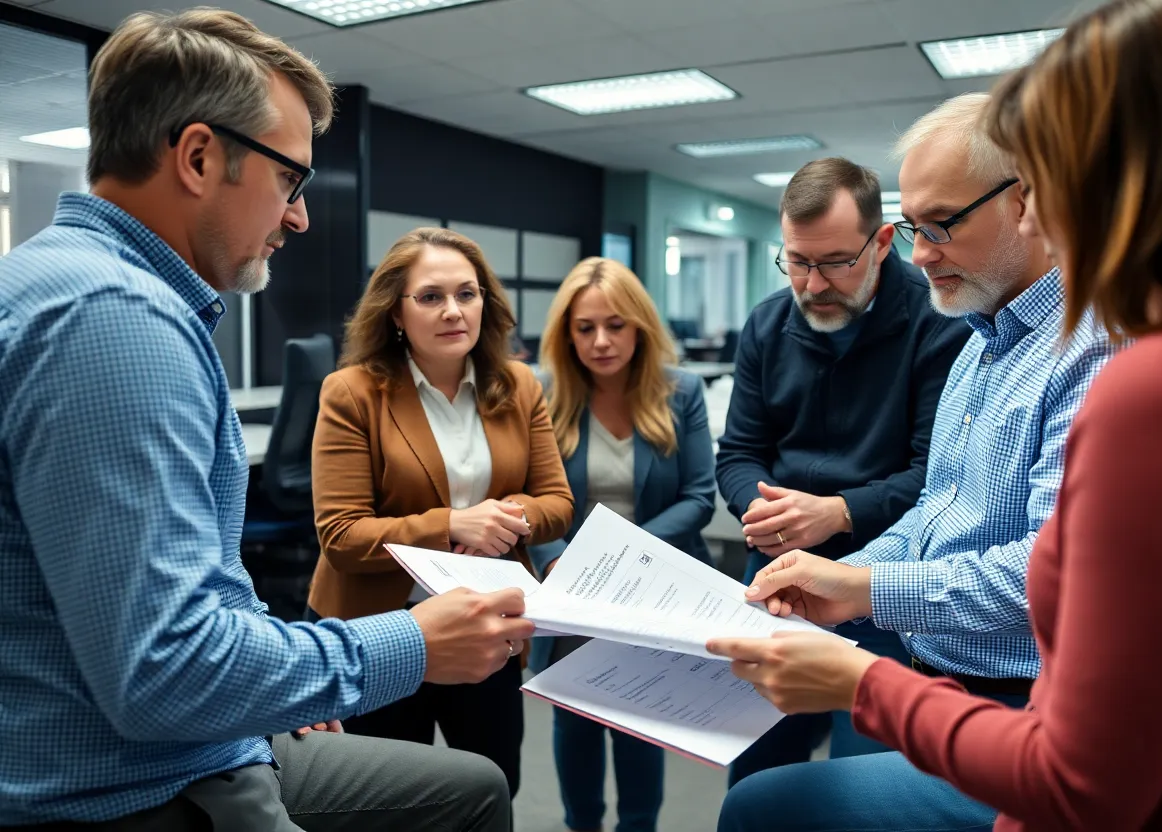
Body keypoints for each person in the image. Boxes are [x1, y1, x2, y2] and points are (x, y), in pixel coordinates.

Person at [0, 10, 528, 831]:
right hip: (136, 782)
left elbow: (192, 590)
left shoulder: (83, 286)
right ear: (200, 157)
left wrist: (282, 677)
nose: (299, 217)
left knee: (472, 786)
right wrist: (413, 644)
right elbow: (164, 673)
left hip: (164, 741)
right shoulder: (114, 322)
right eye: (291, 181)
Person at [713, 0, 1162, 828]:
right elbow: (940, 505)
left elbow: (1078, 763)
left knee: (768, 809)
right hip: (933, 658)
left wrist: (863, 612)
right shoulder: (980, 343)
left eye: (941, 225)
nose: (920, 253)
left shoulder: (1122, 363)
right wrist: (847, 581)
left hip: (1011, 700)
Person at [715, 157, 971, 773]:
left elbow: (942, 477)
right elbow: (739, 453)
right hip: (775, 580)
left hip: (884, 591)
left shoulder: (941, 320)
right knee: (759, 775)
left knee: (862, 782)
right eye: (798, 262)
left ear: (882, 242)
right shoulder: (768, 322)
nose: (813, 285)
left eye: (834, 262)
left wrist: (836, 513)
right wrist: (761, 504)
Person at [307, 226, 574, 798]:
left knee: (494, 789)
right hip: (382, 633)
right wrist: (453, 524)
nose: (453, 311)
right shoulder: (352, 392)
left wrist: (506, 518)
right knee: (382, 805)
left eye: (467, 294)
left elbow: (557, 503)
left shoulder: (519, 385)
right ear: (396, 312)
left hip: (487, 627)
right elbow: (341, 536)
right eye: (430, 296)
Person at [528, 257, 717, 832]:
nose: (601, 341)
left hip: (653, 585)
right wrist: (556, 558)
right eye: (585, 328)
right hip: (570, 585)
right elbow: (529, 491)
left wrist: (625, 553)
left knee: (642, 723)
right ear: (567, 334)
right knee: (575, 723)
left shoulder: (681, 391)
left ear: (640, 325)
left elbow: (699, 496)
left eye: (616, 325)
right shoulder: (543, 393)